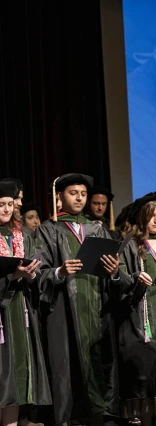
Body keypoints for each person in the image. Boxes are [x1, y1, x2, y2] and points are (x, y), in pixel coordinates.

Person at [36, 173, 122, 426]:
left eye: (83, 194)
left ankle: (99, 415)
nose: (80, 198)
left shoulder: (98, 228)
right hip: (63, 310)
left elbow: (120, 276)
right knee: (66, 365)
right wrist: (59, 272)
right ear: (59, 197)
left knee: (98, 364)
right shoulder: (48, 229)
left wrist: (115, 271)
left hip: (97, 307)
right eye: (73, 193)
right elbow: (37, 273)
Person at [117, 195, 156, 426]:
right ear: (141, 217)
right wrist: (135, 279)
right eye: (151, 216)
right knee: (143, 379)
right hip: (141, 319)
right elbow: (118, 278)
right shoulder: (130, 245)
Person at [0, 180, 51, 426]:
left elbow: (36, 279)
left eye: (10, 204)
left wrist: (31, 275)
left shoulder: (21, 235)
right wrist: (11, 276)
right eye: (1, 204)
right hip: (2, 314)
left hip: (20, 312)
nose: (7, 209)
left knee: (17, 379)